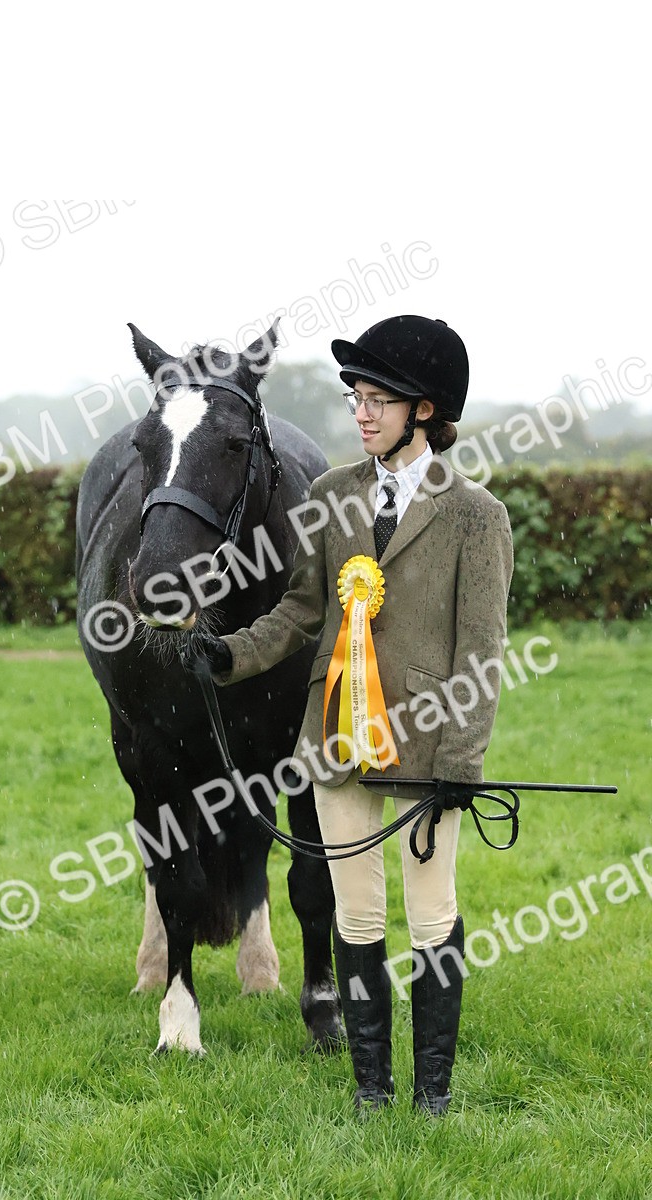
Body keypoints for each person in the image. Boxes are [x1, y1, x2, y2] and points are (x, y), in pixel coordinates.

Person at [190, 315, 514, 1117]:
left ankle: (432, 1096)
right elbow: (302, 610)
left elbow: (482, 653)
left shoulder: (477, 516)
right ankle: (374, 1090)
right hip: (335, 740)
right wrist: (231, 654)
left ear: (426, 411)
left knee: (431, 914)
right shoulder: (332, 495)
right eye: (356, 399)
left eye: (379, 400)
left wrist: (460, 765)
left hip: (425, 749)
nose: (362, 414)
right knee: (357, 913)